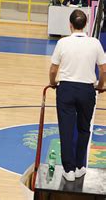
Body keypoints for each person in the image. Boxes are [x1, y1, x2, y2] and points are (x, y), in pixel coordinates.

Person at [49, 9, 105, 181]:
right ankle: (80, 166)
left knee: (66, 130)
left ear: (70, 25)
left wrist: (52, 83)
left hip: (66, 89)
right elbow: (103, 69)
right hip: (87, 90)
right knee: (83, 129)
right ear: (86, 25)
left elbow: (53, 69)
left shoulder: (62, 43)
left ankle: (69, 170)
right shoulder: (95, 43)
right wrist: (100, 86)